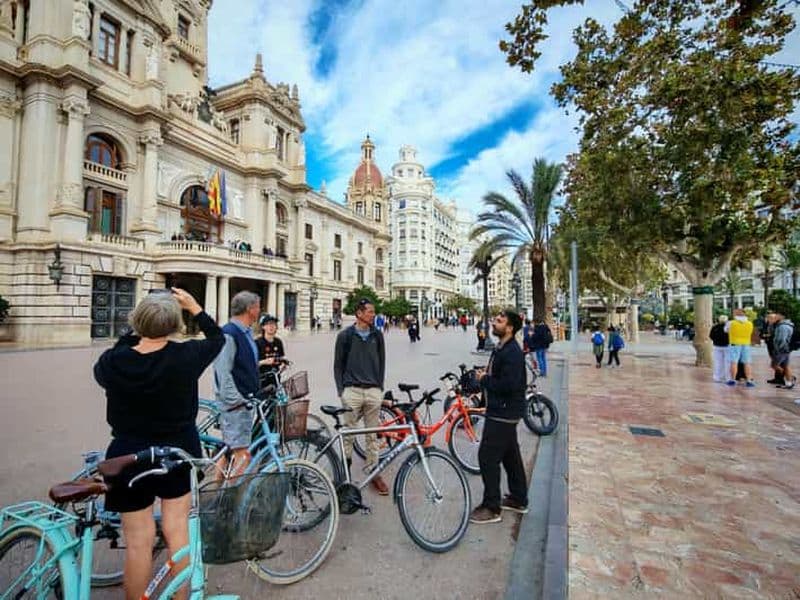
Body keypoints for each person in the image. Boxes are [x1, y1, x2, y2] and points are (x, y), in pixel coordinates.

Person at [94, 288, 224, 600]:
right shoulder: (186, 356)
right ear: (174, 324)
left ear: (138, 321)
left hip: (127, 455)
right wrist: (195, 307)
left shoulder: (114, 361)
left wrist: (135, 332)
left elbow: (115, 353)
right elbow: (217, 339)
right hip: (175, 452)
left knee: (138, 543)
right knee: (176, 531)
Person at [470, 310, 528, 524]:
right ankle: (519, 498)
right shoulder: (501, 348)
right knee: (510, 455)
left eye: (500, 321)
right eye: (496, 320)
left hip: (504, 412)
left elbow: (509, 385)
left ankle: (492, 507)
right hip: (502, 410)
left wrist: (484, 379)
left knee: (487, 457)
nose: (495, 323)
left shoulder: (512, 352)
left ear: (510, 328)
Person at [333, 298, 389, 495]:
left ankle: (373, 471)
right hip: (352, 392)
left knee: (372, 435)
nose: (373, 315)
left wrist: (379, 387)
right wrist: (342, 391)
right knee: (348, 434)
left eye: (373, 312)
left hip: (373, 391)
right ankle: (344, 475)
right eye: (370, 311)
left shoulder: (377, 335)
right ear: (359, 313)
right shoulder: (345, 336)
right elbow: (338, 365)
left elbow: (382, 361)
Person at [213, 291, 262, 476]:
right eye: (258, 306)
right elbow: (223, 373)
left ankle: (216, 494)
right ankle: (232, 501)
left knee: (228, 451)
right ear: (250, 309)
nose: (259, 310)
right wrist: (237, 400)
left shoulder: (246, 332)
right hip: (237, 404)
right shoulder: (229, 334)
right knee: (243, 455)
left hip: (244, 400)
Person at [725, 308, 755, 387]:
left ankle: (733, 380)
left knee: (734, 362)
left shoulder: (731, 323)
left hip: (734, 343)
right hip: (746, 343)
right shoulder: (750, 323)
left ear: (736, 314)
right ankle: (749, 380)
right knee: (747, 362)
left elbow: (726, 330)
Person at [255, 313, 285, 382]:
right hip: (261, 379)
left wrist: (283, 363)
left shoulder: (278, 342)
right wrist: (264, 362)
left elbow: (282, 356)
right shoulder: (257, 343)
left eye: (274, 324)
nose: (271, 327)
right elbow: (251, 364)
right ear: (263, 327)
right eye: (268, 324)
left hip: (276, 378)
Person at [772, 309, 795, 389]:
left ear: (782, 316)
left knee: (774, 365)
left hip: (782, 349)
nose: (775, 316)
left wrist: (778, 348)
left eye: (777, 315)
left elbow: (781, 339)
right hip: (786, 349)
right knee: (785, 366)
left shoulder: (783, 326)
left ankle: (791, 378)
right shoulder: (787, 325)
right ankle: (788, 382)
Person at [762, 312, 784, 385]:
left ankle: (785, 376)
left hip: (775, 346)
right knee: (775, 362)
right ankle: (777, 378)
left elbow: (776, 336)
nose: (769, 319)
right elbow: (764, 332)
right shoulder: (769, 324)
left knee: (777, 363)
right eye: (768, 318)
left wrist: (768, 336)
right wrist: (763, 335)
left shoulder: (777, 325)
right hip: (770, 345)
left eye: (771, 318)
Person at [709, 315, 730, 382]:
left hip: (717, 346)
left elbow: (711, 336)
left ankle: (717, 377)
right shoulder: (728, 327)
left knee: (717, 362)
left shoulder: (715, 327)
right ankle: (727, 377)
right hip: (727, 346)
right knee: (727, 362)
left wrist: (715, 340)